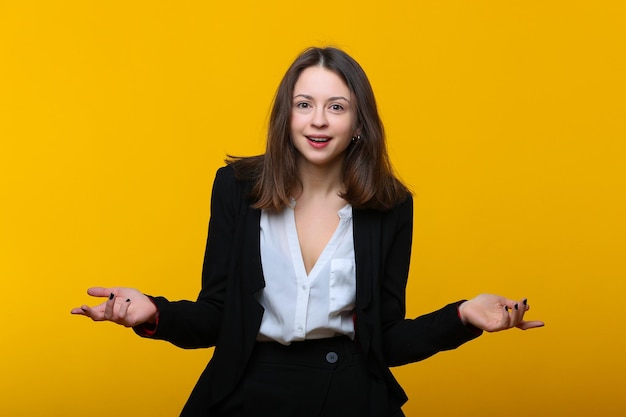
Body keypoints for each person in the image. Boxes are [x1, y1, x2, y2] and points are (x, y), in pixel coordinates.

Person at [71, 46, 544, 417]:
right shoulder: (236, 189)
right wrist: (154, 313)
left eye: (336, 106)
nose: (319, 120)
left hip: (348, 392)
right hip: (245, 388)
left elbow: (386, 340)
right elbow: (218, 316)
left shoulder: (391, 205)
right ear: (286, 116)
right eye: (305, 104)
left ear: (359, 123)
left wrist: (462, 316)